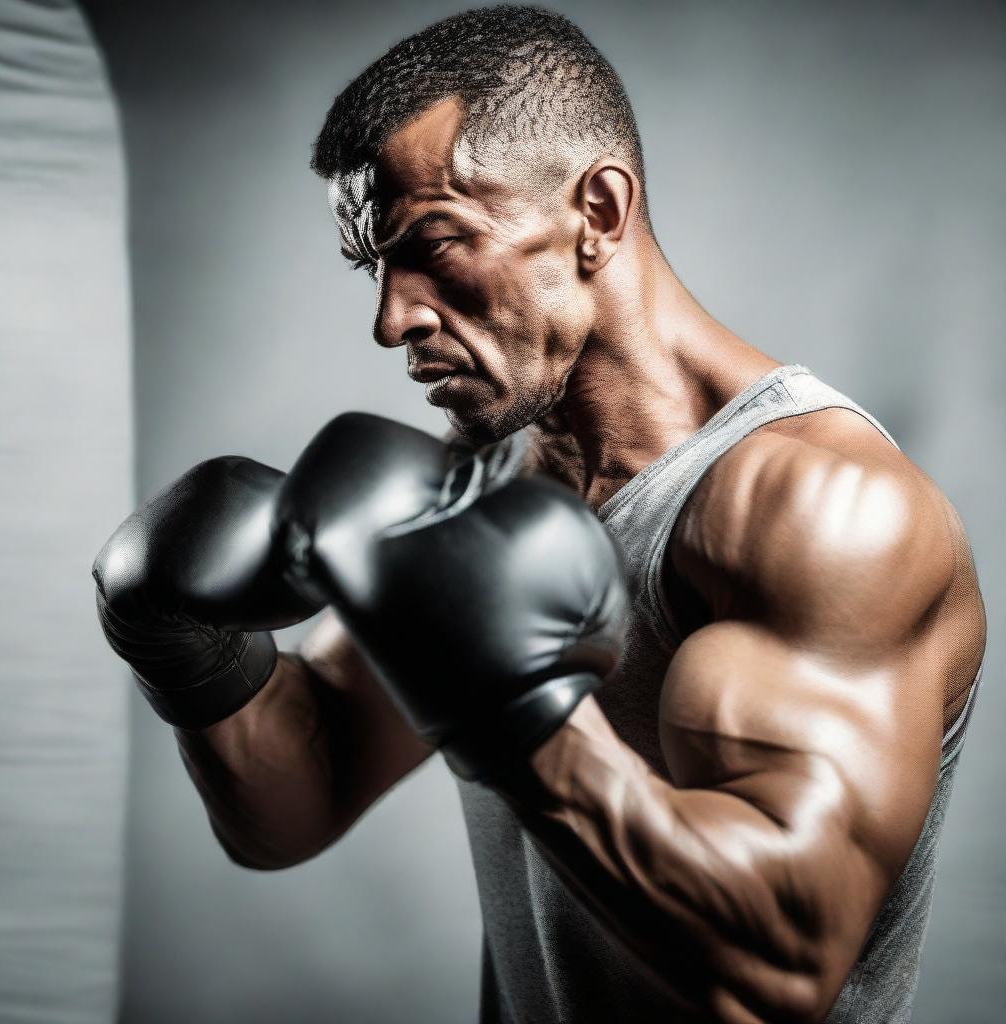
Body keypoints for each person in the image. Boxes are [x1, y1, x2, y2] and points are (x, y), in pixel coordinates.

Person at [93, 7, 986, 1022]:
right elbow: (293, 801)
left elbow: (776, 967)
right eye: (375, 267)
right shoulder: (492, 475)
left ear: (598, 212)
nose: (393, 319)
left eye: (433, 243)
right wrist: (189, 653)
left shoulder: (818, 510)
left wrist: (513, 710)